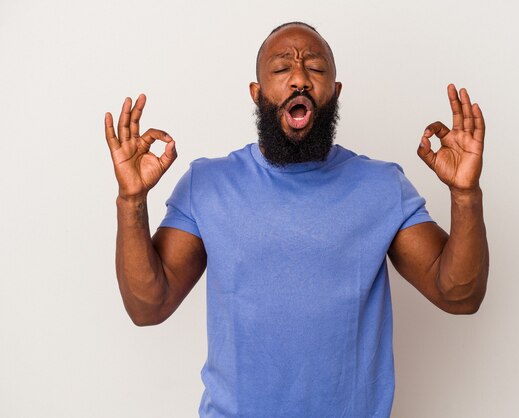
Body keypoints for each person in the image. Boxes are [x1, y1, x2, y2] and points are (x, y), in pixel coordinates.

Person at [104, 21, 488, 418]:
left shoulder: (381, 186)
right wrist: (131, 200)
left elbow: (460, 296)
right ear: (257, 94)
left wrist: (465, 195)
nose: (300, 79)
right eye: (282, 68)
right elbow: (147, 307)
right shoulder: (207, 185)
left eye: (316, 69)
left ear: (335, 92)